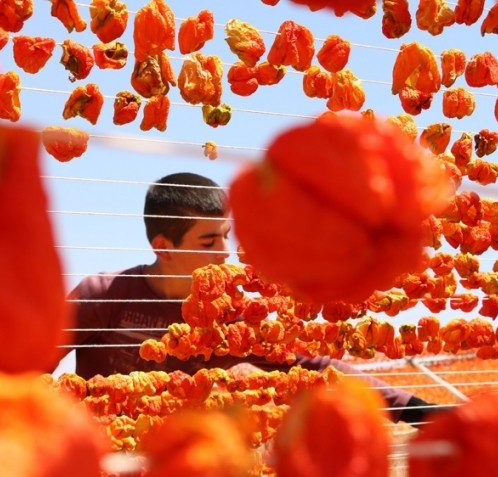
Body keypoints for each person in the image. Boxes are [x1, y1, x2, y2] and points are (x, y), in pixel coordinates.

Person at [63, 172, 439, 425]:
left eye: (226, 235)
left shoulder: (235, 315)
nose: (225, 252)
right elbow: (25, 366)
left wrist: (408, 407)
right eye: (208, 241)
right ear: (164, 247)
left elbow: (313, 366)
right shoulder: (104, 296)